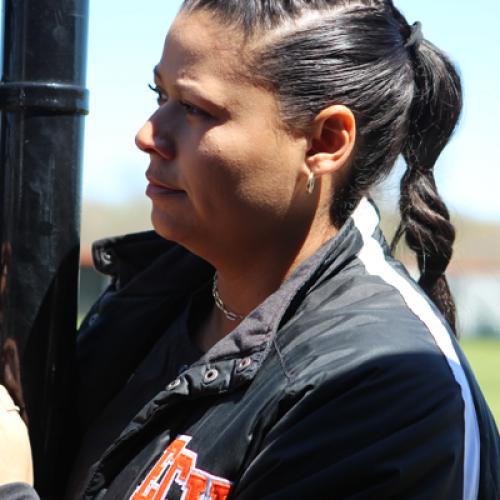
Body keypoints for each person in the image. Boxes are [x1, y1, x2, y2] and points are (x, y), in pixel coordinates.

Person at [0, 0, 499, 498]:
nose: (147, 134)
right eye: (160, 94)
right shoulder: (153, 296)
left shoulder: (387, 389)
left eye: (195, 109)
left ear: (325, 141)